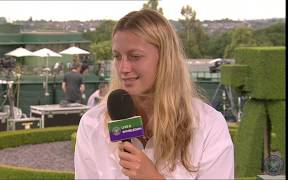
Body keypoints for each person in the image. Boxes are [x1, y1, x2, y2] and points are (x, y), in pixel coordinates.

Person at [74, 9, 234, 179]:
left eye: (135, 56)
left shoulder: (208, 125)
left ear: (165, 59)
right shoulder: (92, 124)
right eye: (118, 57)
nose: (123, 68)